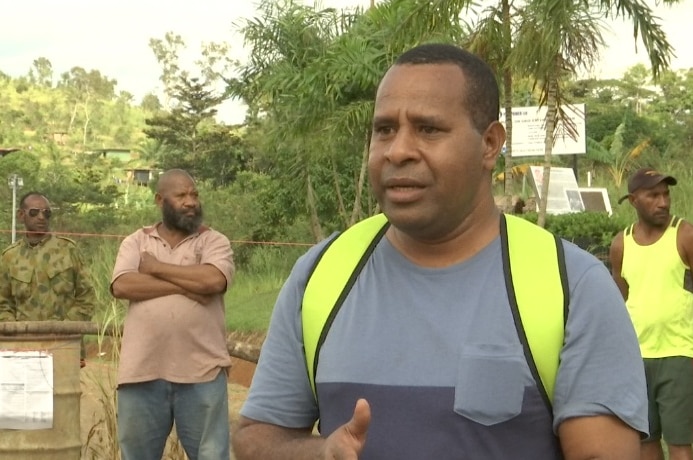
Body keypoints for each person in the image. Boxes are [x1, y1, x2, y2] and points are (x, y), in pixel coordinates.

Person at [232, 43, 648, 459]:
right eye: (384, 129)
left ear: (489, 143)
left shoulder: (570, 286)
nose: (398, 150)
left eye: (428, 129)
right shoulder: (321, 276)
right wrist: (320, 454)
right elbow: (256, 440)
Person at [110, 169, 234, 460]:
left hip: (203, 372)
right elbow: (122, 285)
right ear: (159, 200)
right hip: (142, 372)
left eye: (194, 194)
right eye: (181, 196)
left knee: (212, 455)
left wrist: (156, 268)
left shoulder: (214, 242)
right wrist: (188, 284)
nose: (190, 201)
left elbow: (213, 281)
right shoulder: (136, 242)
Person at [610, 168, 693, 460]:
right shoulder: (621, 244)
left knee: (680, 443)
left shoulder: (685, 235)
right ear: (633, 200)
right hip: (636, 358)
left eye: (666, 194)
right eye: (653, 195)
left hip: (679, 355)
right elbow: (621, 301)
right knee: (645, 442)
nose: (663, 202)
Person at [0, 192, 95, 366]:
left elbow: (86, 297)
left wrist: (64, 329)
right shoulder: (9, 257)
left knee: (64, 394)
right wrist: (17, 333)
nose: (42, 217)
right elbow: (3, 303)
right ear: (21, 215)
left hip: (64, 344)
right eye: (34, 212)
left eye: (47, 213)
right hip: (23, 348)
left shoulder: (68, 250)